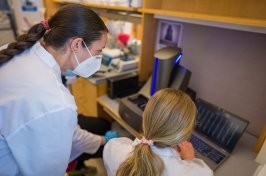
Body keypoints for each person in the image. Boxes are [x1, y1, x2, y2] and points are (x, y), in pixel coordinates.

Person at [0, 4, 119, 175]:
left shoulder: (13, 51)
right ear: (76, 44)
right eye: (98, 51)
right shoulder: (56, 102)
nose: (98, 58)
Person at [103, 88, 213, 176]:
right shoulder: (200, 173)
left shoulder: (113, 148)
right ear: (184, 134)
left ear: (146, 118)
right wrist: (190, 162)